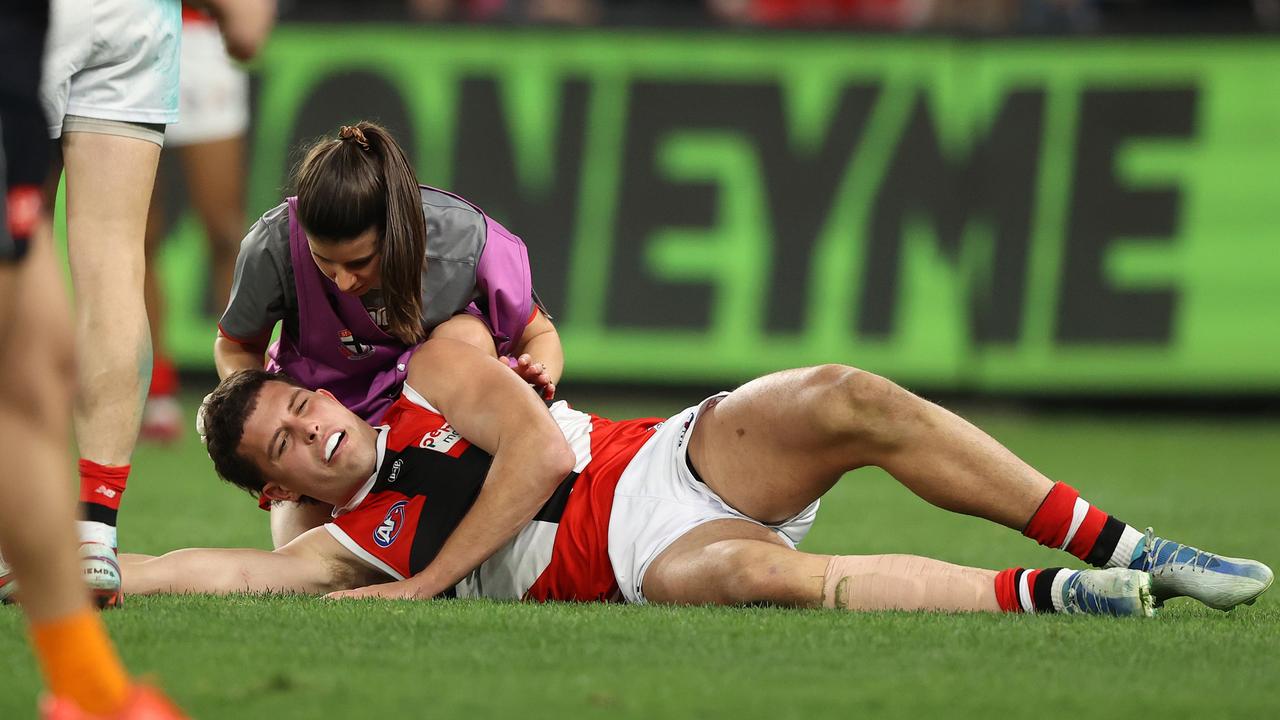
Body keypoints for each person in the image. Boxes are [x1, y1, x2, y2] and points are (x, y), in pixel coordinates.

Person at [124, 339, 1272, 616]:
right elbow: (199, 567)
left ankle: (1131, 548)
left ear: (322, 387)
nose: (308, 431)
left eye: (300, 405)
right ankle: (1054, 598)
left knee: (848, 395)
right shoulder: (344, 541)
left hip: (665, 454)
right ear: (283, 486)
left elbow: (533, 416)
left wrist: (429, 587)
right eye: (281, 444)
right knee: (753, 578)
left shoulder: (434, 369)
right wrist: (72, 562)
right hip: (636, 559)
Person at [0, 0, 268, 716]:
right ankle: (94, 531)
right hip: (136, 15)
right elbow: (248, 27)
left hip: (34, 20)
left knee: (18, 274)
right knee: (116, 262)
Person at [213, 120, 565, 549]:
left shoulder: (466, 240)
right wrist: (247, 401)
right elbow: (236, 345)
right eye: (324, 261)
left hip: (431, 413)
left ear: (396, 229)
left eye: (359, 262)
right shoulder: (273, 245)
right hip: (328, 419)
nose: (342, 282)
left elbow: (539, 334)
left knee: (465, 337)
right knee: (298, 565)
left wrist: (534, 380)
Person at [140, 3, 253, 442]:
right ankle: (157, 389)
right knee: (137, 235)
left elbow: (249, 33)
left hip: (205, 40)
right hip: (133, 34)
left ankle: (238, 386)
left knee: (225, 232)